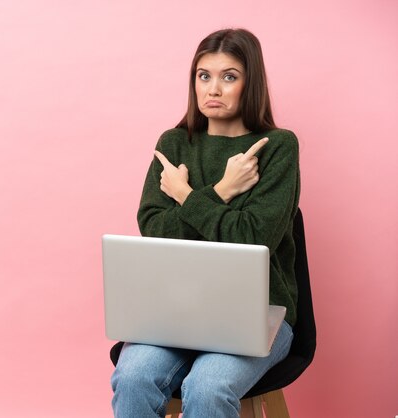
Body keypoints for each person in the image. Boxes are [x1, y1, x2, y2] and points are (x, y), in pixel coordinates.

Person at [110, 28, 300, 418]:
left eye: (229, 76)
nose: (213, 88)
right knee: (133, 378)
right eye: (204, 76)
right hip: (172, 311)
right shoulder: (174, 143)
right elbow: (156, 231)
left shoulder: (278, 147)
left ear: (251, 84)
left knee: (208, 387)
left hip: (259, 313)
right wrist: (223, 192)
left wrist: (187, 196)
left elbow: (253, 238)